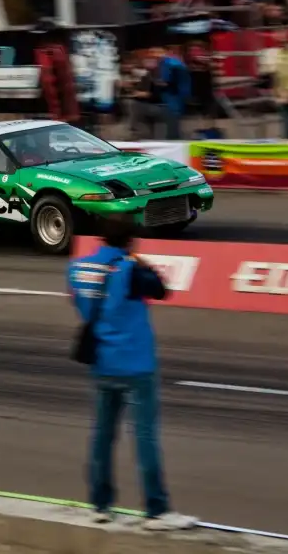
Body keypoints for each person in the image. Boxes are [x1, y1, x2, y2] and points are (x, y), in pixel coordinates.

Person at [67, 213, 197, 530]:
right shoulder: (131, 269)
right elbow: (162, 289)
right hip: (136, 365)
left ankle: (100, 505)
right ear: (130, 240)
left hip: (102, 363)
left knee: (102, 436)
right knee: (145, 437)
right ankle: (157, 510)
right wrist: (137, 259)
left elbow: (80, 303)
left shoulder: (78, 268)